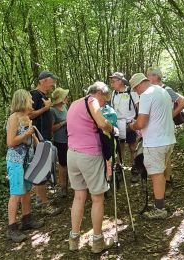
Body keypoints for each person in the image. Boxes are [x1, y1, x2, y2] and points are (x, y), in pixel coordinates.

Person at [66, 81, 114, 253]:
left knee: (78, 197)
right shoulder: (92, 101)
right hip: (89, 154)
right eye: (105, 100)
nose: (104, 104)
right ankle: (98, 242)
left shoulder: (73, 103)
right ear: (99, 93)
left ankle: (74, 239)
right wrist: (111, 128)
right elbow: (102, 123)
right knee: (97, 198)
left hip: (72, 154)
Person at [128, 73, 175, 219]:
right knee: (160, 173)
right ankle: (159, 203)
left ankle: (159, 209)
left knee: (156, 175)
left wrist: (132, 126)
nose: (137, 92)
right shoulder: (163, 91)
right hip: (168, 139)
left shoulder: (147, 95)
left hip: (155, 143)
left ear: (139, 85)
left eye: (136, 89)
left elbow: (141, 123)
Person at [6, 89, 44, 242]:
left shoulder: (27, 117)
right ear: (22, 100)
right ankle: (12, 228)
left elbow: (32, 138)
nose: (32, 102)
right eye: (30, 99)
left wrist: (41, 147)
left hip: (28, 160)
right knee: (16, 193)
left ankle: (26, 219)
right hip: (15, 161)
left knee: (27, 190)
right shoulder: (14, 118)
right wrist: (26, 135)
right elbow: (10, 142)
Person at [146, 67, 184, 192]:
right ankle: (163, 181)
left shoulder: (166, 89)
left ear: (155, 76)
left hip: (166, 128)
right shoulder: (153, 90)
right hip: (158, 128)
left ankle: (167, 180)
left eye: (148, 75)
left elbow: (183, 101)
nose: (147, 78)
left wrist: (170, 115)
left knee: (166, 156)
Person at [29, 70, 61, 215]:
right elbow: (29, 115)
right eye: (51, 82)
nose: (52, 85)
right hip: (38, 139)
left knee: (43, 168)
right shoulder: (34, 95)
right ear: (43, 81)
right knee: (41, 169)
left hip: (45, 138)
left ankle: (39, 198)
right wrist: (46, 108)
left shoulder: (43, 95)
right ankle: (43, 203)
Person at [109, 72, 139, 182]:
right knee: (119, 148)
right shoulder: (113, 93)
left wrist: (137, 121)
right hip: (117, 124)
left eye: (113, 81)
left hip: (129, 124)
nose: (112, 83)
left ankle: (134, 168)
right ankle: (119, 168)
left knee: (132, 147)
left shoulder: (132, 91)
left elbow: (138, 107)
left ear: (121, 81)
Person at [51, 87, 69, 198]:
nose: (67, 98)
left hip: (69, 139)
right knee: (62, 165)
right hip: (59, 140)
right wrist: (64, 123)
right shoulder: (52, 111)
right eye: (65, 96)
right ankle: (63, 187)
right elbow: (51, 128)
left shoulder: (65, 107)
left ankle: (69, 184)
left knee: (70, 163)